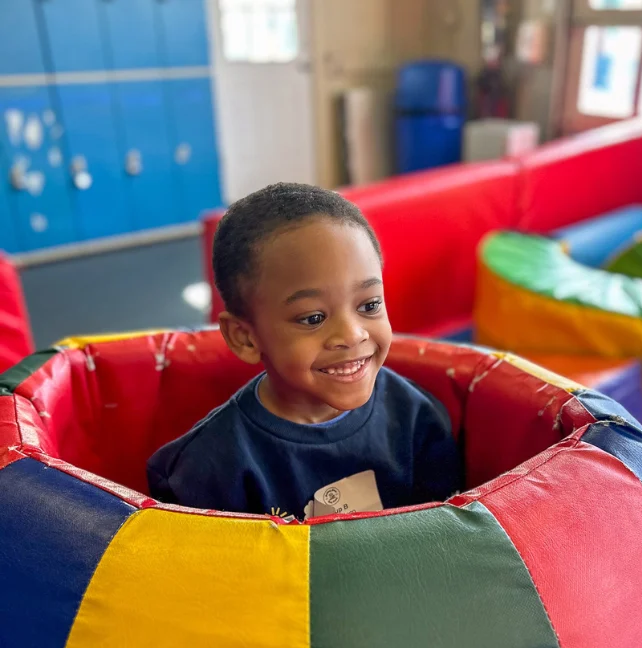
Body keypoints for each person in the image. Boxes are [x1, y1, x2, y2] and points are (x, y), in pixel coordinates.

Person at [147, 183, 462, 519]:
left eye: (369, 305)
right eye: (313, 318)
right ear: (245, 338)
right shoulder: (209, 469)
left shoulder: (417, 418)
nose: (352, 335)